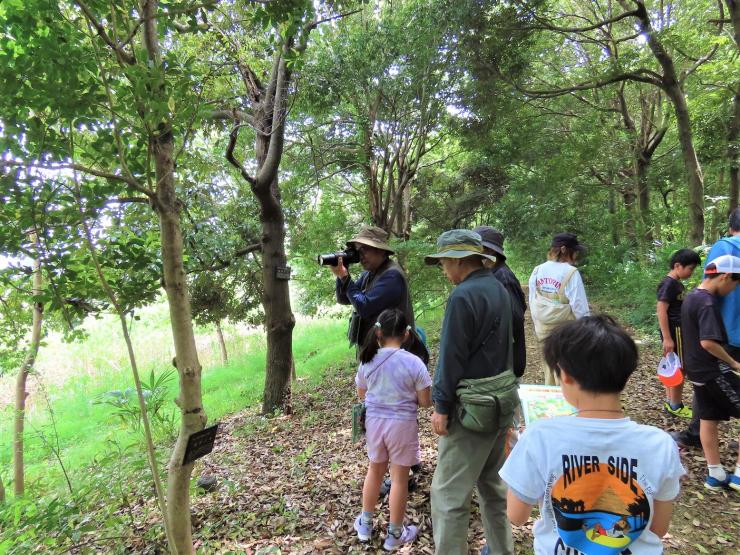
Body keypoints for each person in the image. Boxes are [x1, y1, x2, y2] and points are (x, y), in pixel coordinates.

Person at [500, 315, 686, 554]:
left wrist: (516, 457)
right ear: (626, 375)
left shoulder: (539, 437)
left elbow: (516, 515)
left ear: (565, 375)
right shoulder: (660, 444)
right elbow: (658, 529)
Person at [424, 229, 518, 555]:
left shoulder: (463, 296)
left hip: (471, 411)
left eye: (443, 262)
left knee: (449, 495)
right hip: (501, 403)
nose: (443, 269)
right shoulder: (499, 288)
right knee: (494, 488)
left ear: (459, 260)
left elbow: (451, 357)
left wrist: (441, 405)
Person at [352, 309, 432, 550]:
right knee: (399, 479)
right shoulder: (414, 363)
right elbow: (425, 402)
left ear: (378, 332)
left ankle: (365, 525)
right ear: (407, 334)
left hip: (374, 424)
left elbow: (362, 394)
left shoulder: (367, 360)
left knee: (374, 471)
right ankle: (395, 534)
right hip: (403, 426)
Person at [672, 207, 740, 448]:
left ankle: (695, 436)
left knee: (708, 387)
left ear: (731, 227)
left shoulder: (725, 247)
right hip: (726, 333)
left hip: (727, 331)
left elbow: (708, 288)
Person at [678, 254, 740, 491]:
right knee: (708, 417)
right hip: (713, 371)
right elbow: (708, 342)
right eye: (735, 283)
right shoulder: (708, 303)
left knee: (708, 418)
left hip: (696, 371)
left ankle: (715, 474)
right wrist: (733, 363)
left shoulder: (692, 297)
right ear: (725, 276)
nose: (733, 289)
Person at [332, 225, 414, 348]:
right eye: (358, 251)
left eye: (364, 249)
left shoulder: (392, 275)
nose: (360, 256)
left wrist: (345, 277)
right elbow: (343, 298)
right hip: (375, 349)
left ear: (381, 250)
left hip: (394, 352)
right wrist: (341, 274)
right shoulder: (369, 273)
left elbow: (364, 308)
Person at [528, 232, 590, 385]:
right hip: (566, 331)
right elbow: (579, 307)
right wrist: (587, 333)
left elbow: (532, 299)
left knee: (549, 368)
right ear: (564, 249)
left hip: (543, 328)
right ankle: (566, 398)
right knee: (567, 371)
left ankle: (550, 397)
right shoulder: (571, 273)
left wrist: (537, 325)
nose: (576, 254)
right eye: (574, 251)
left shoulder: (537, 270)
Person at [473, 226, 527, 377]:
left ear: (490, 251)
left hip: (505, 364)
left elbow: (514, 319)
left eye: (476, 248)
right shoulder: (491, 274)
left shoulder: (503, 278)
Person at [656, 248, 701, 418]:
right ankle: (676, 405)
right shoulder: (669, 284)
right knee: (680, 368)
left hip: (676, 331)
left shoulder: (675, 283)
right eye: (690, 268)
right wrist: (667, 338)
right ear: (677, 265)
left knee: (673, 365)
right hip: (675, 331)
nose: (691, 272)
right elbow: (661, 310)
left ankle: (671, 402)